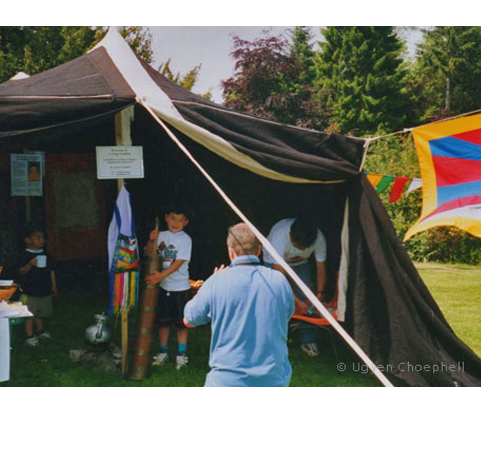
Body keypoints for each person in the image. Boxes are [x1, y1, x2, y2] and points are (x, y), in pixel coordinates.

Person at [184, 223, 295, 387]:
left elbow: (189, 320)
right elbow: (286, 317)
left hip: (227, 381)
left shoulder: (217, 281)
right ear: (259, 251)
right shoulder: (279, 280)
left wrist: (209, 284)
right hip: (273, 380)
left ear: (231, 251)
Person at [263, 217, 327, 357]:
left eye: (305, 248)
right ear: (291, 236)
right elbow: (279, 279)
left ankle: (308, 340)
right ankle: (272, 341)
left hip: (300, 264)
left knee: (306, 298)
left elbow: (321, 269)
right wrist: (296, 302)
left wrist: (318, 296)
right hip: (273, 263)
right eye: (298, 246)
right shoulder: (279, 235)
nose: (301, 249)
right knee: (275, 298)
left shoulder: (319, 238)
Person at [144, 205, 193, 370]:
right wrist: (151, 240)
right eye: (173, 218)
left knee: (182, 323)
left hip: (180, 288)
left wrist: (160, 276)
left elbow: (179, 263)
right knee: (163, 322)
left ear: (186, 222)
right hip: (163, 288)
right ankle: (163, 352)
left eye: (180, 220)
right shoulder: (161, 235)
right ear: (166, 217)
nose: (176, 223)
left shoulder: (185, 239)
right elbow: (149, 253)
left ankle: (181, 355)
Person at [16, 226, 57, 347]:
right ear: (27, 240)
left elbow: (51, 270)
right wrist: (30, 264)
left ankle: (40, 331)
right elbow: (20, 271)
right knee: (29, 314)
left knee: (40, 313)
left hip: (44, 289)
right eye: (37, 237)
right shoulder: (24, 255)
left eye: (43, 237)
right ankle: (29, 336)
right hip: (29, 290)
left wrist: (54, 285)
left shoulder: (46, 254)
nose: (42, 240)